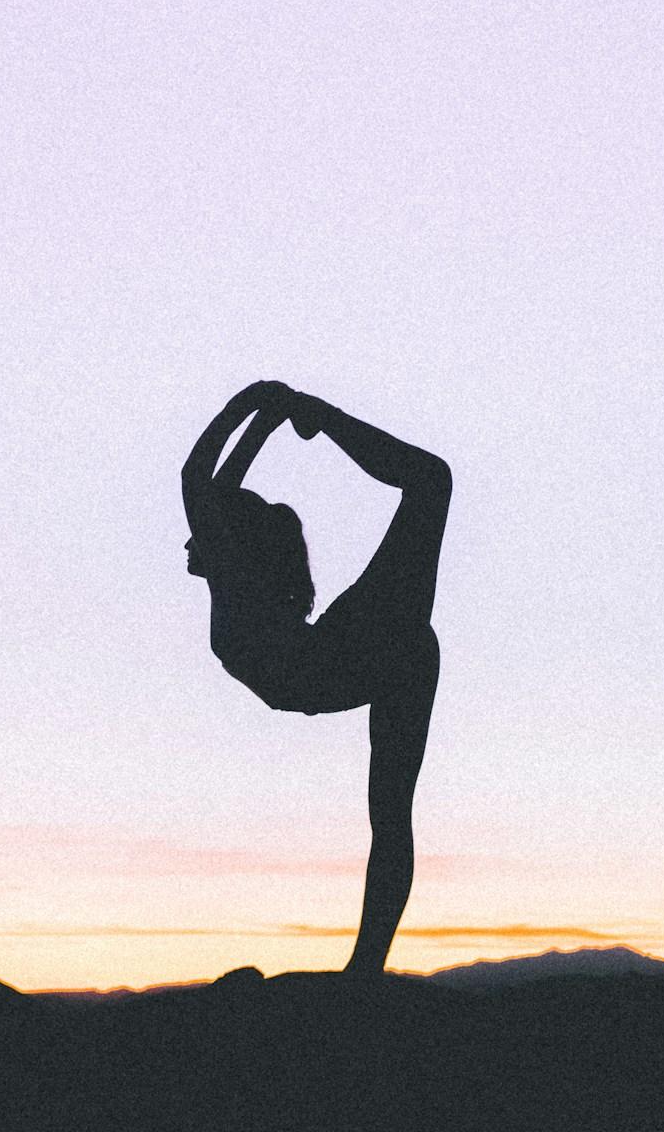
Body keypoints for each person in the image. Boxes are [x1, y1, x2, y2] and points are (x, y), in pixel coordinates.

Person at [181, 380, 450, 975]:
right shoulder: (238, 582)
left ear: (229, 544)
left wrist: (259, 405)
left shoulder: (234, 581)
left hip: (344, 657)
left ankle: (366, 970)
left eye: (201, 533)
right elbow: (213, 490)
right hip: (359, 655)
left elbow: (198, 480)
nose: (187, 541)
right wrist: (272, 412)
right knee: (390, 814)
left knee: (431, 480)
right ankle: (366, 968)